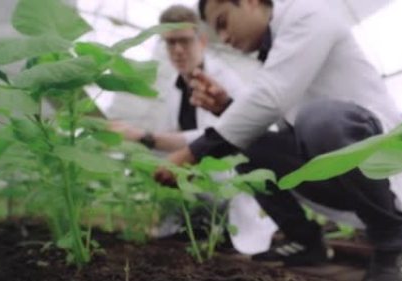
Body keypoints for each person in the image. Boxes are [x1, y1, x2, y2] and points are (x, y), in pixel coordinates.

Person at [156, 0, 402, 281]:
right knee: (249, 145)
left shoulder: (310, 14)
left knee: (320, 121)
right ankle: (306, 241)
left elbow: (272, 96)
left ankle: (392, 237)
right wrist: (226, 107)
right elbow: (276, 123)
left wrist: (191, 153)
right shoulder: (275, 47)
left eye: (223, 23)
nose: (222, 38)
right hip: (333, 168)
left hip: (378, 164)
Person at [111, 4, 277, 254]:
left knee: (199, 159)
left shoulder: (224, 78)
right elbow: (173, 137)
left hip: (232, 174)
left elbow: (216, 138)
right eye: (170, 43)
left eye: (184, 41)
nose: (177, 50)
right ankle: (189, 223)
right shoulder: (175, 88)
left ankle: (219, 227)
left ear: (201, 40)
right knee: (154, 158)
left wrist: (144, 136)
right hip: (203, 181)